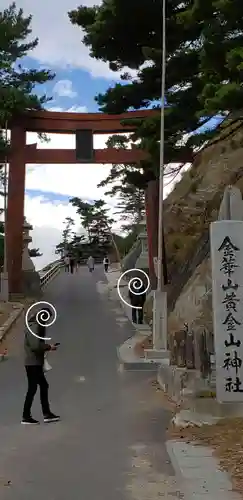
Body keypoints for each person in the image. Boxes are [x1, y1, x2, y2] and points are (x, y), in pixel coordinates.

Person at [22, 308, 60, 425]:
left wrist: (48, 346)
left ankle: (45, 413)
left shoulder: (34, 325)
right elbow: (35, 345)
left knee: (42, 386)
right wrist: (48, 347)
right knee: (33, 389)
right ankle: (27, 416)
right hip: (32, 363)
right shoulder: (34, 327)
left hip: (34, 363)